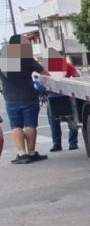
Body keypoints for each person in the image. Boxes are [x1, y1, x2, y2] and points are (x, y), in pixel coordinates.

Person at [0, 35, 50, 164]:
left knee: (16, 125)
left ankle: (21, 154)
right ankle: (31, 153)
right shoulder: (27, 59)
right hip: (29, 97)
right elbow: (45, 72)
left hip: (10, 99)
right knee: (30, 125)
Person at [46, 59, 80, 152]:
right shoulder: (68, 65)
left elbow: (44, 81)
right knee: (72, 120)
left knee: (54, 122)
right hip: (67, 96)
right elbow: (77, 76)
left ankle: (56, 144)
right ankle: (73, 143)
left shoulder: (48, 67)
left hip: (53, 96)